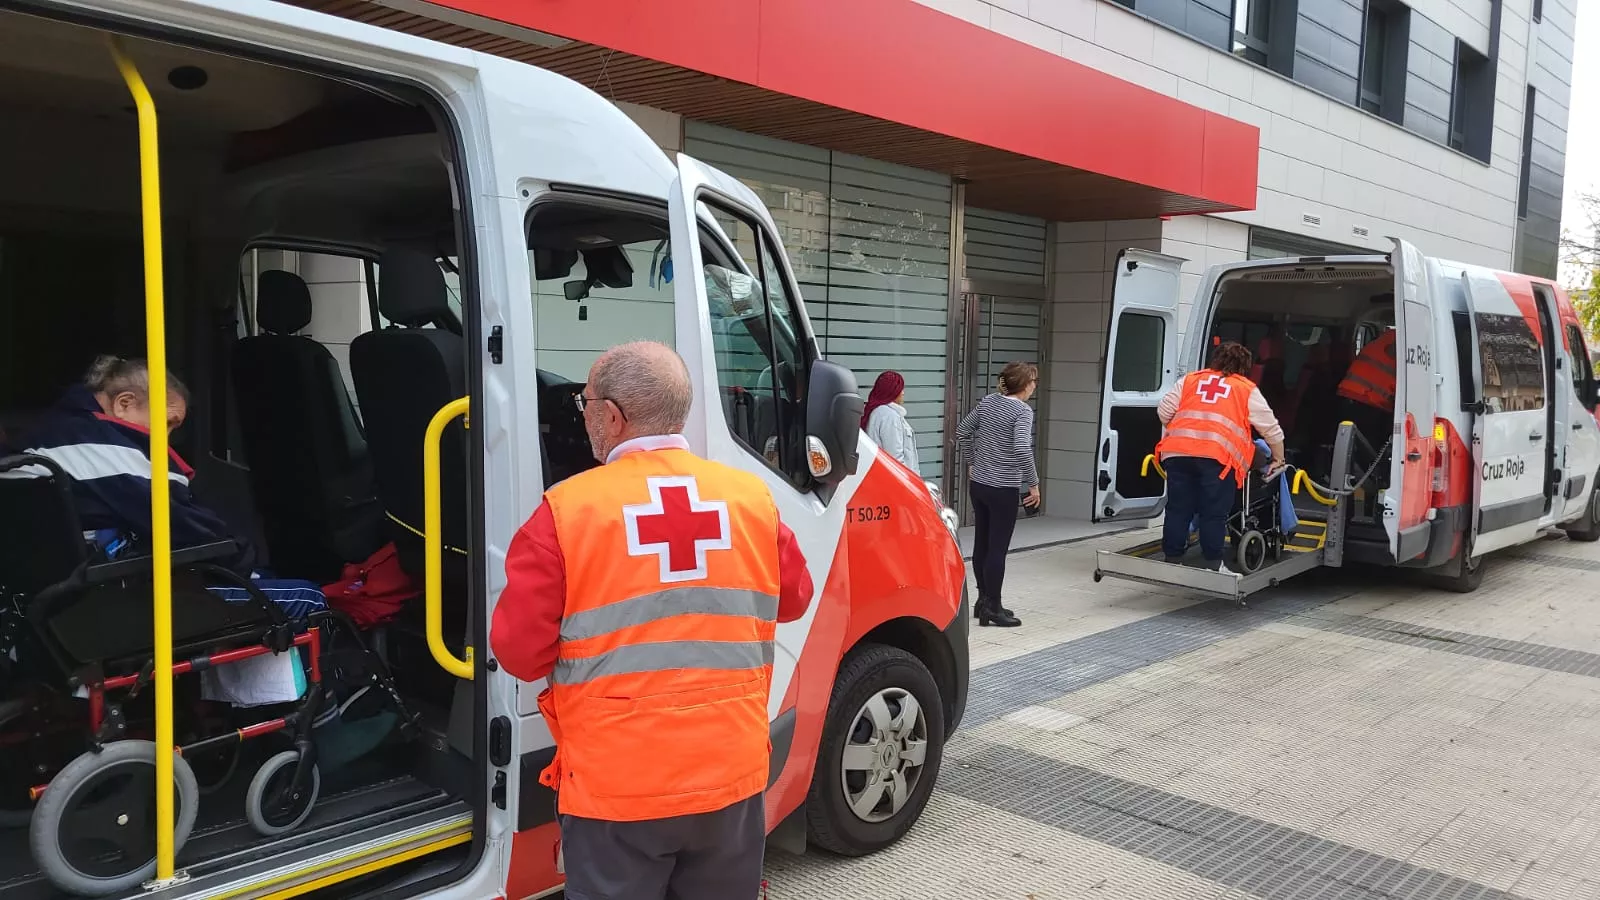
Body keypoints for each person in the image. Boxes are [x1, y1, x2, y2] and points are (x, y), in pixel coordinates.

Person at [489, 340, 814, 900]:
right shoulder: (750, 500)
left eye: (584, 403)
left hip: (618, 790)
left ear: (611, 416)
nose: (583, 414)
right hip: (730, 778)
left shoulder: (564, 514)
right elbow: (794, 599)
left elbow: (519, 652)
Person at [14, 355, 258, 576]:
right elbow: (184, 523)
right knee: (296, 598)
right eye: (167, 423)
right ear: (124, 404)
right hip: (112, 594)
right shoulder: (99, 442)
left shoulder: (54, 431)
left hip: (75, 590)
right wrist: (243, 556)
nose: (167, 438)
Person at [1155, 341, 1286, 572]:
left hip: (1177, 453)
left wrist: (1183, 431)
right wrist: (1278, 458)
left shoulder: (1190, 380)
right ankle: (1213, 564)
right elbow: (1270, 429)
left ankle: (1173, 559)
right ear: (1245, 366)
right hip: (1217, 459)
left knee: (1178, 508)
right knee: (1213, 512)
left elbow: (1164, 411)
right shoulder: (1245, 388)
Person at [955, 361, 1039, 628]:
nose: (1035, 386)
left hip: (979, 484)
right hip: (1003, 487)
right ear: (1025, 385)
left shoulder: (988, 402)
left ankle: (982, 601)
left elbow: (962, 432)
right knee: (997, 549)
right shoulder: (1022, 411)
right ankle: (994, 606)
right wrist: (1033, 483)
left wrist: (972, 461)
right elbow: (1022, 449)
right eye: (1033, 381)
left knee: (982, 543)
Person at [1336, 316, 1397, 454]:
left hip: (1348, 394)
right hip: (1368, 400)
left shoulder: (1388, 337)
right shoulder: (1405, 343)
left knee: (1347, 450)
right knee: (1368, 452)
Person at [862, 370, 919, 472]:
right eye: (900, 389)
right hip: (898, 481)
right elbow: (896, 459)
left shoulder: (878, 412)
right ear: (892, 392)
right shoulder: (889, 416)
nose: (903, 393)